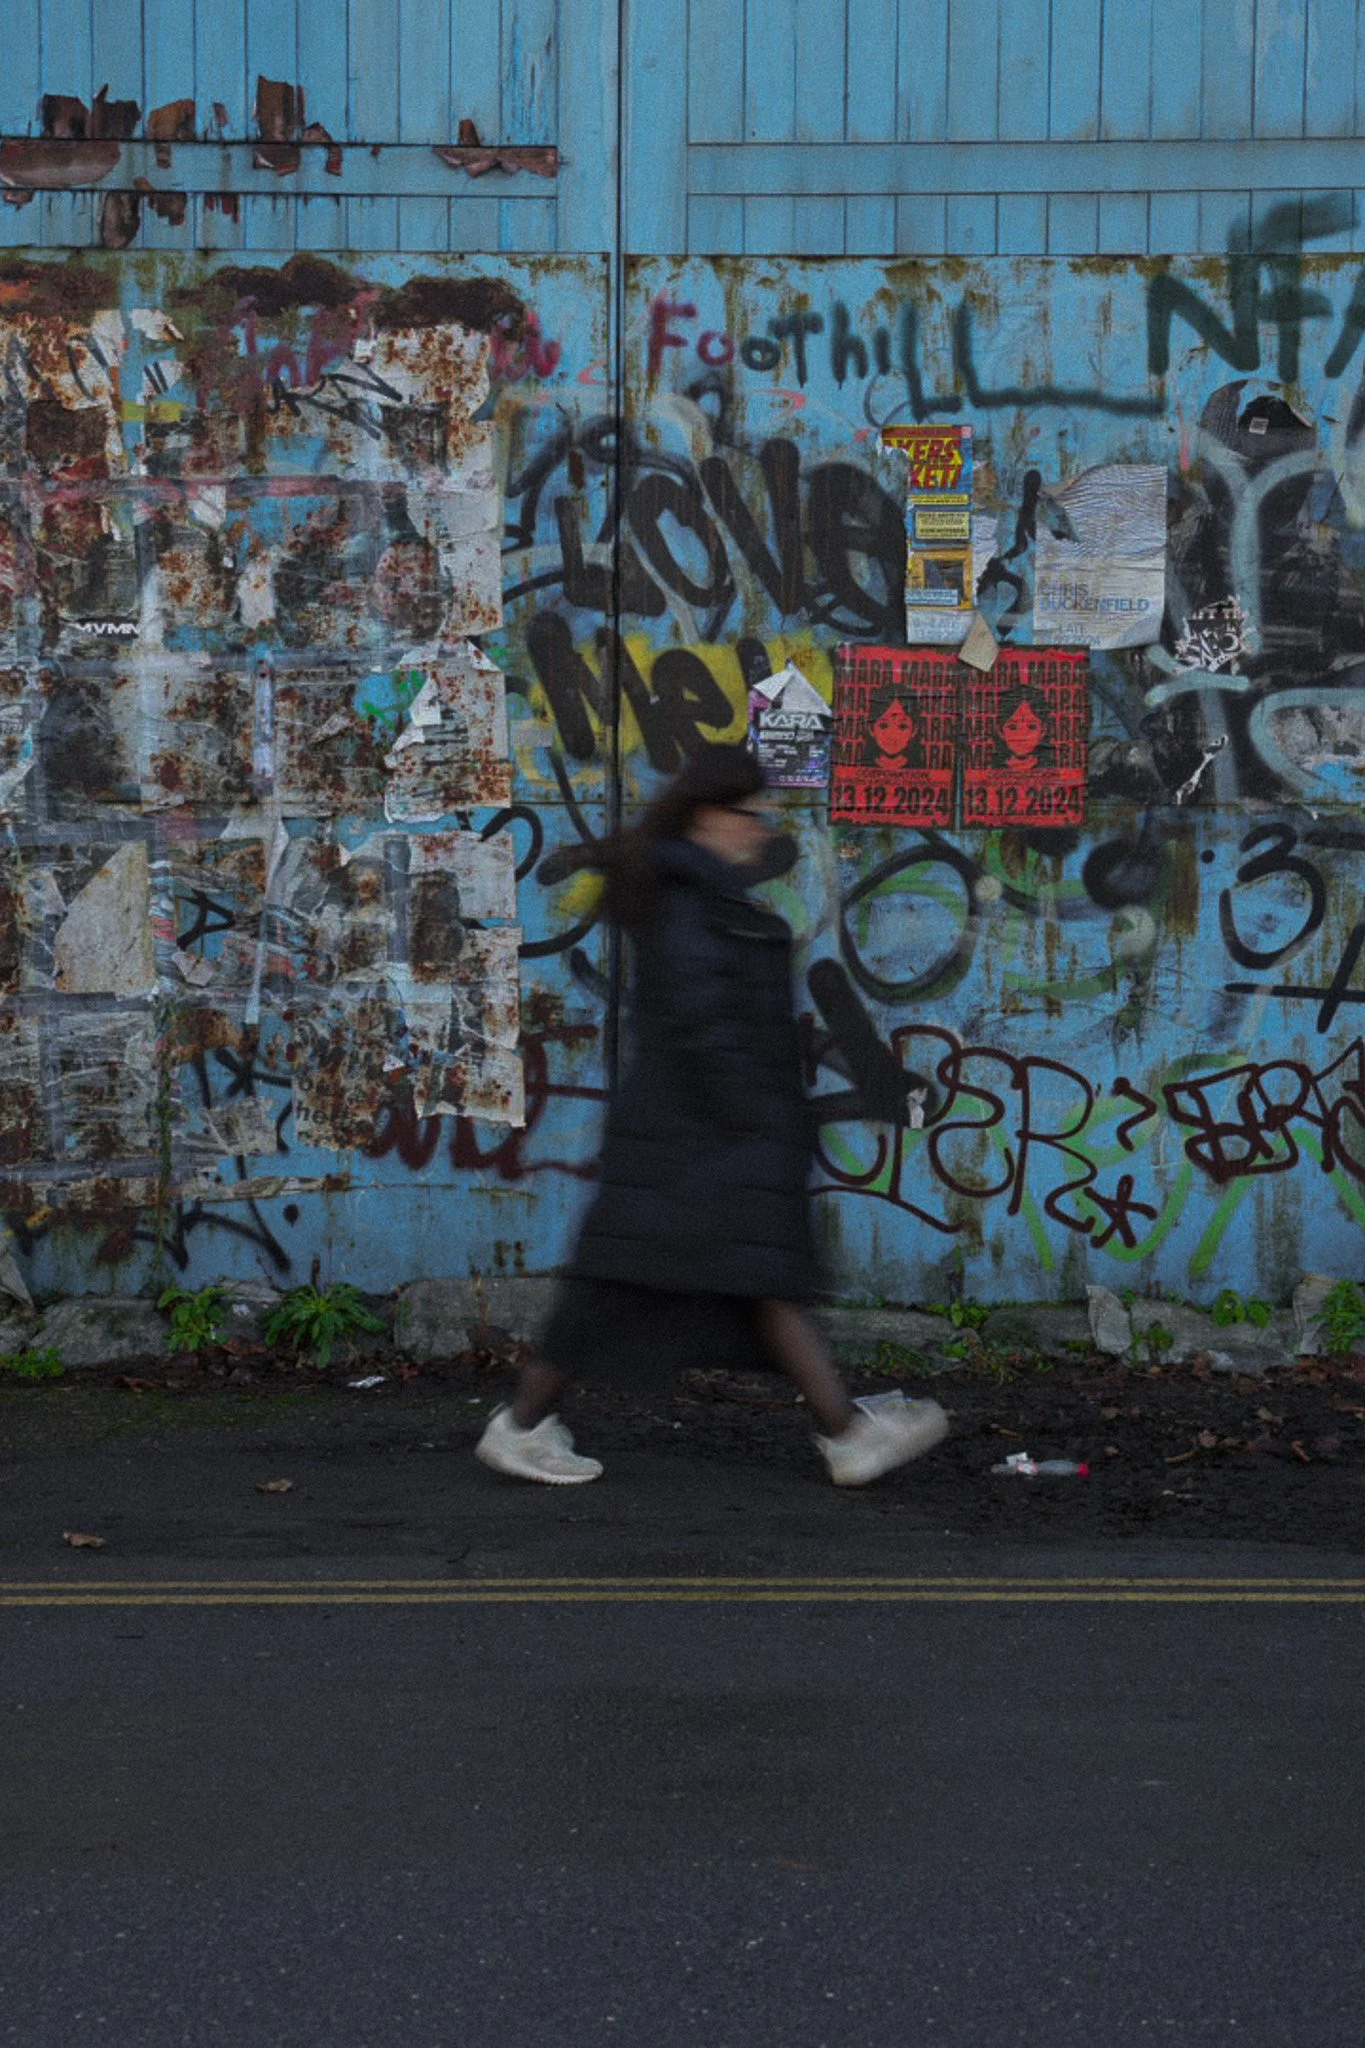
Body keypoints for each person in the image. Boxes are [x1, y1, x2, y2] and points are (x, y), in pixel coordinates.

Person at [476, 743, 948, 1487]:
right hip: (698, 1135)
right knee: (706, 1282)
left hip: (695, 1136)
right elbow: (705, 1022)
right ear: (707, 815)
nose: (760, 829)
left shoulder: (696, 894)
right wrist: (755, 1116)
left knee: (733, 1280)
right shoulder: (688, 902)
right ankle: (844, 1434)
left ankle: (842, 1431)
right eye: (748, 814)